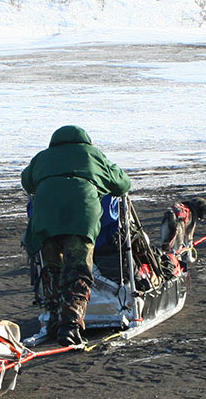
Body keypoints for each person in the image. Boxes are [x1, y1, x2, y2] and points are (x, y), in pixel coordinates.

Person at [21, 125, 132, 346]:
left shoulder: (42, 157)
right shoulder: (93, 155)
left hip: (45, 221)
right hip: (80, 220)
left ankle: (53, 320)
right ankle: (70, 325)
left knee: (52, 270)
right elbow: (121, 184)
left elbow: (27, 181)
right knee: (78, 271)